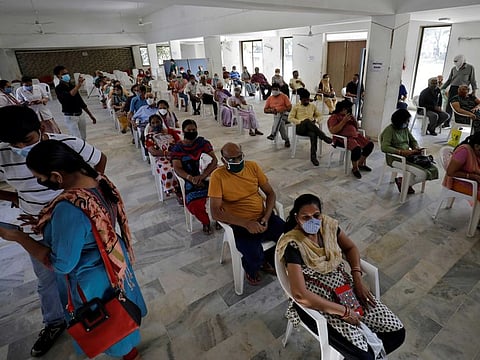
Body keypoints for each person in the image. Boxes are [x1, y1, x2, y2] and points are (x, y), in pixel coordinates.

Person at [0, 139, 146, 360]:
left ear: (57, 176)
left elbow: (61, 263)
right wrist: (48, 224)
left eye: (41, 179)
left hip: (92, 278)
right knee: (121, 309)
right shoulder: (98, 181)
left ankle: (127, 353)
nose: (40, 183)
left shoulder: (69, 209)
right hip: (113, 262)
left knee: (109, 319)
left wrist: (18, 236)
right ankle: (129, 350)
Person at [0, 105, 107, 357]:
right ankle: (56, 321)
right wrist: (17, 198)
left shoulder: (66, 145)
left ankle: (93, 315)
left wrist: (17, 236)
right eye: (12, 143)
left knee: (76, 271)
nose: (19, 147)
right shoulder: (4, 153)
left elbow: (99, 160)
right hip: (37, 223)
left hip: (67, 222)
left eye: (25, 140)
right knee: (47, 280)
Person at [276, 193, 405, 360]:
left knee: (396, 333)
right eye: (305, 217)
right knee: (363, 356)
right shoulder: (293, 244)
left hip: (346, 289)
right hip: (317, 303)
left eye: (316, 216)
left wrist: (357, 280)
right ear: (297, 218)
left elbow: (350, 248)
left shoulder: (328, 228)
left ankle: (365, 351)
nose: (312, 221)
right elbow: (300, 294)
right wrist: (344, 312)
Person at [209, 142, 285, 285]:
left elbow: (270, 194)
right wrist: (246, 223)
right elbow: (215, 212)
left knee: (288, 237)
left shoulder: (252, 167)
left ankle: (267, 259)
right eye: (232, 159)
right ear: (223, 159)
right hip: (239, 223)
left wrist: (266, 217)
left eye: (239, 157)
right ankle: (252, 268)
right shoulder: (217, 176)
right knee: (253, 254)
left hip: (262, 217)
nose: (237, 162)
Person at [171, 119, 218, 234]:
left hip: (206, 175)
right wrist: (191, 178)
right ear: (183, 131)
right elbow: (177, 168)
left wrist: (203, 176)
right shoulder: (178, 148)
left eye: (194, 130)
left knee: (223, 195)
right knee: (194, 203)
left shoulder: (203, 143)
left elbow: (214, 160)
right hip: (189, 179)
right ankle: (205, 222)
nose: (191, 132)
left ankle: (219, 218)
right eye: (189, 130)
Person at [380, 109, 438, 194]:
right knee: (423, 174)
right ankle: (405, 183)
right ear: (400, 121)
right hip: (395, 159)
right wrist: (401, 152)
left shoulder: (405, 129)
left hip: (408, 157)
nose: (407, 123)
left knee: (433, 169)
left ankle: (404, 182)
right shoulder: (389, 130)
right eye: (406, 121)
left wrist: (416, 147)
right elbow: (384, 147)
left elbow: (412, 141)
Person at [327, 100, 374, 179]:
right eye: (347, 109)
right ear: (342, 109)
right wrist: (344, 121)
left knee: (369, 145)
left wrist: (354, 121)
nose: (348, 110)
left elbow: (356, 128)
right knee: (357, 149)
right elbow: (333, 131)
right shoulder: (334, 117)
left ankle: (360, 163)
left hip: (355, 136)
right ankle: (355, 168)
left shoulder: (349, 115)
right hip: (342, 139)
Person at [288, 89, 333, 166]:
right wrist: (300, 122)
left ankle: (313, 157)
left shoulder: (312, 106)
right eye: (304, 100)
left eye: (307, 100)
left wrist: (316, 120)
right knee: (307, 121)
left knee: (313, 134)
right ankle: (324, 137)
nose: (306, 101)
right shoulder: (296, 106)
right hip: (300, 128)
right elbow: (290, 118)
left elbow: (320, 115)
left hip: (310, 128)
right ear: (301, 99)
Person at [145, 114, 182, 203]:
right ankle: (177, 191)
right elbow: (153, 151)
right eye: (153, 123)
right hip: (162, 158)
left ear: (161, 122)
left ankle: (187, 186)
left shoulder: (170, 132)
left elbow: (179, 142)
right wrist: (166, 153)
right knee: (169, 170)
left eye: (157, 122)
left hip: (176, 154)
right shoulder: (150, 137)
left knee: (187, 164)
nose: (155, 124)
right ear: (150, 125)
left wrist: (176, 152)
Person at [53, 65, 97, 140]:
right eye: (63, 74)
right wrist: (78, 85)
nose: (66, 75)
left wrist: (90, 115)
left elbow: (80, 101)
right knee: (77, 138)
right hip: (71, 116)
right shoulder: (59, 88)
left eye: (67, 73)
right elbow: (69, 96)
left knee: (83, 136)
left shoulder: (72, 85)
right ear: (58, 76)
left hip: (80, 114)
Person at [441, 54, 477, 126]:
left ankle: (462, 123)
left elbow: (473, 80)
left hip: (463, 90)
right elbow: (449, 80)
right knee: (449, 106)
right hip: (453, 88)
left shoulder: (470, 68)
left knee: (462, 106)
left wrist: (474, 90)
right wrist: (442, 88)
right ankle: (446, 123)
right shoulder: (454, 69)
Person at [444, 132, 480, 198]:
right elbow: (450, 172)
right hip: (460, 182)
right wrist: (473, 176)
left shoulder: (477, 153)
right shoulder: (464, 152)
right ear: (477, 146)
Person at [265, 83, 292, 148]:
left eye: (276, 89)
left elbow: (290, 107)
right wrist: (272, 111)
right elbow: (265, 110)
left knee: (279, 116)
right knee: (280, 123)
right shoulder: (270, 98)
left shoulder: (284, 97)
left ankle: (273, 133)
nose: (274, 91)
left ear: (279, 89)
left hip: (286, 115)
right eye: (273, 89)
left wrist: (282, 109)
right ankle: (286, 139)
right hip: (277, 116)